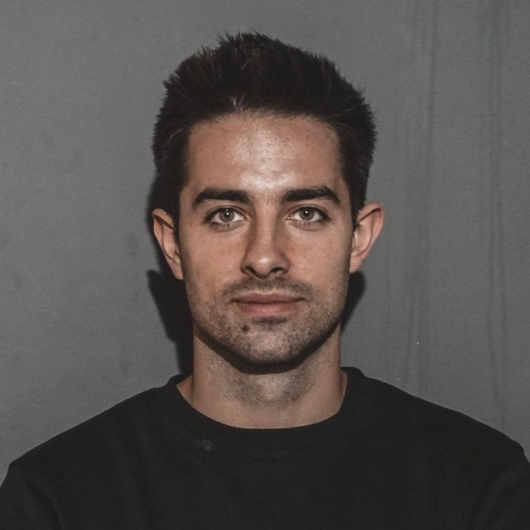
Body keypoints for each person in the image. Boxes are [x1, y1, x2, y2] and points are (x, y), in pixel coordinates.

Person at [1, 32, 529, 529]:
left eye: (306, 213)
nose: (264, 257)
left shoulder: (480, 487)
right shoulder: (58, 500)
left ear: (359, 237)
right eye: (226, 214)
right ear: (173, 244)